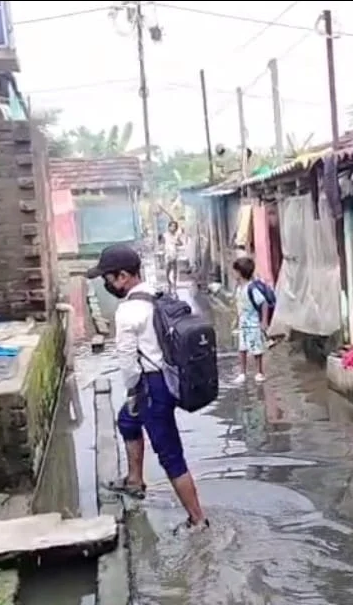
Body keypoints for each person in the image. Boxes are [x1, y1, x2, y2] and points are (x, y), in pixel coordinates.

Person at [86, 244, 209, 533]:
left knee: (170, 455)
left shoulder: (128, 311)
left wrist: (133, 392)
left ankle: (197, 520)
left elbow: (128, 364)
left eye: (108, 278)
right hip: (166, 378)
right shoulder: (157, 293)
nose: (105, 284)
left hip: (150, 385)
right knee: (126, 420)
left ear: (124, 276)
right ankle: (134, 481)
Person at [232, 256, 268, 384]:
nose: (233, 274)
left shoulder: (251, 288)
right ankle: (242, 373)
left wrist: (264, 322)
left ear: (240, 272)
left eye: (235, 271)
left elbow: (263, 303)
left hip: (253, 324)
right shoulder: (238, 288)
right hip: (243, 324)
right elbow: (239, 305)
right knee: (242, 348)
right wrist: (236, 319)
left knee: (256, 349)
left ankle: (259, 372)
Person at [163, 220, 182, 293]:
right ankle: (168, 280)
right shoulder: (165, 235)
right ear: (169, 227)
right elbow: (162, 244)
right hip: (167, 253)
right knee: (168, 268)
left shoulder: (176, 235)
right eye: (171, 226)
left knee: (175, 268)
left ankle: (174, 283)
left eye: (174, 226)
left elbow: (180, 243)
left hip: (174, 253)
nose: (173, 228)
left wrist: (177, 242)